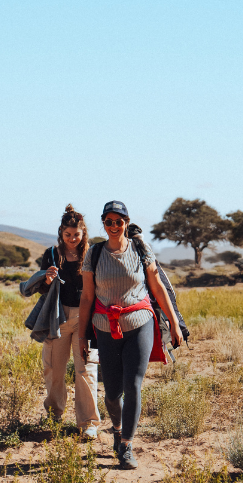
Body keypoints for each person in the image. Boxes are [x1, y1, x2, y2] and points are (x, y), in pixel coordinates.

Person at [78, 200, 184, 469]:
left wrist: (173, 323)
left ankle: (126, 445)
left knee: (133, 385)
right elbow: (88, 296)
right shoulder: (95, 253)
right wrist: (81, 336)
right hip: (105, 328)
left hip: (140, 322)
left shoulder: (140, 249)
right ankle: (117, 428)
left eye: (119, 221)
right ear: (103, 223)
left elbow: (157, 286)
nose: (114, 226)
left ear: (126, 223)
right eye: (109, 221)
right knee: (112, 393)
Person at [34, 205, 101, 438]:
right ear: (61, 233)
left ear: (84, 233)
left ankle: (88, 423)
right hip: (58, 316)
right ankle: (54, 417)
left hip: (87, 317)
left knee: (86, 369)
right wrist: (47, 279)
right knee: (53, 369)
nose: (72, 239)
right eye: (68, 235)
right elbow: (41, 288)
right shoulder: (52, 254)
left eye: (77, 235)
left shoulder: (92, 254)